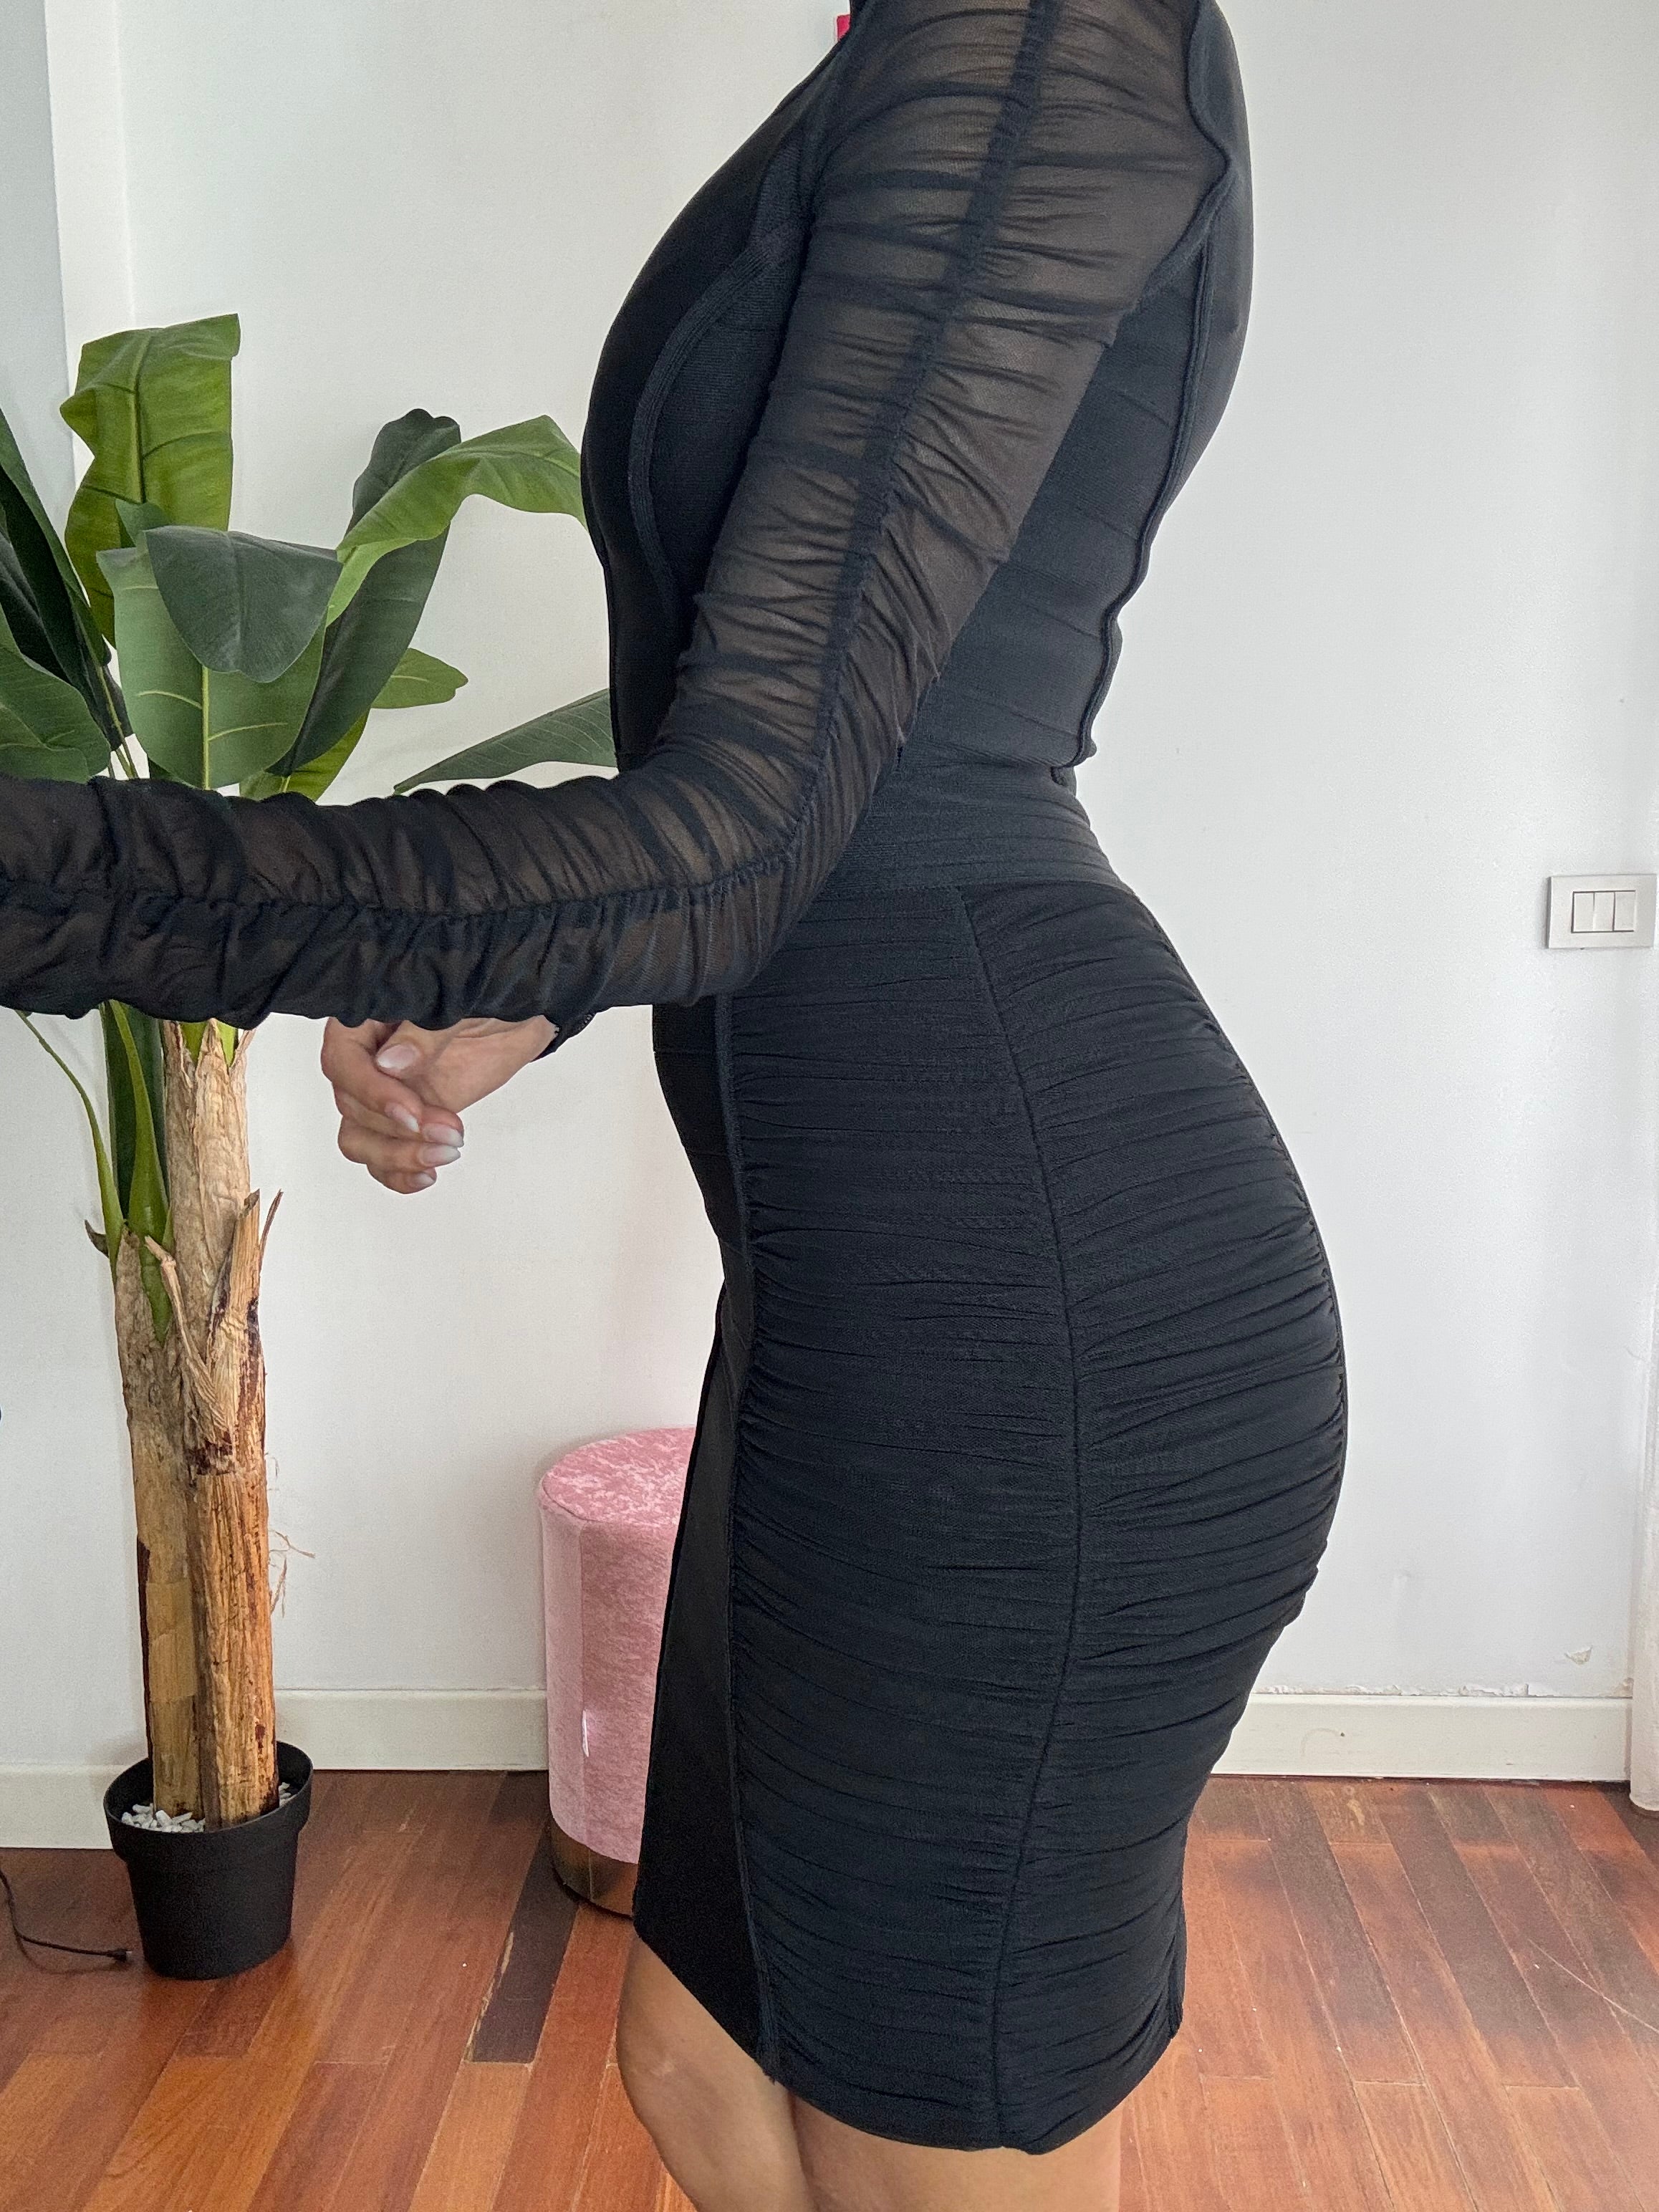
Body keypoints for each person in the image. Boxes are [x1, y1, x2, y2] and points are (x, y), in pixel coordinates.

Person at [0, 1, 1347, 2205]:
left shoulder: (1049, 39)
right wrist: (524, 990)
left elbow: (756, 835)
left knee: (904, 2134)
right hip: (847, 1324)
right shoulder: (939, 46)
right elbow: (803, 779)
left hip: (1024, 1320)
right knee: (701, 2066)